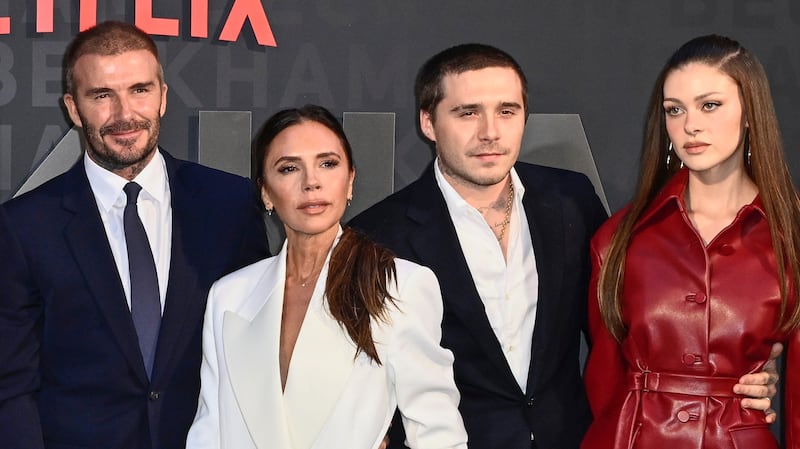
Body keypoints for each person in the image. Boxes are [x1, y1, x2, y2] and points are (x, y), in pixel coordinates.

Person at [349, 43, 781, 449]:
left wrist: (748, 366)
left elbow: (627, 327)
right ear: (428, 122)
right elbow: (359, 375)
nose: (490, 132)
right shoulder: (377, 237)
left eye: (507, 111)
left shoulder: (570, 200)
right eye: (468, 113)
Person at [0, 21, 269, 449]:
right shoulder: (24, 227)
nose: (124, 114)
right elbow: (12, 386)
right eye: (101, 95)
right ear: (73, 108)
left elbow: (258, 348)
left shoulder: (229, 205)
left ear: (163, 96)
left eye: (139, 90)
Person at [184, 104, 467, 449]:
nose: (311, 182)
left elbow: (438, 434)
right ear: (266, 192)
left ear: (350, 181)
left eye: (328, 164)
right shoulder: (229, 296)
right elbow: (209, 432)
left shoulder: (398, 286)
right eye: (289, 168)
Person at [582, 34, 799, 448]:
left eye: (710, 105)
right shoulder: (619, 237)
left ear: (750, 111)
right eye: (674, 109)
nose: (690, 125)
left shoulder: (791, 237)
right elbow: (603, 383)